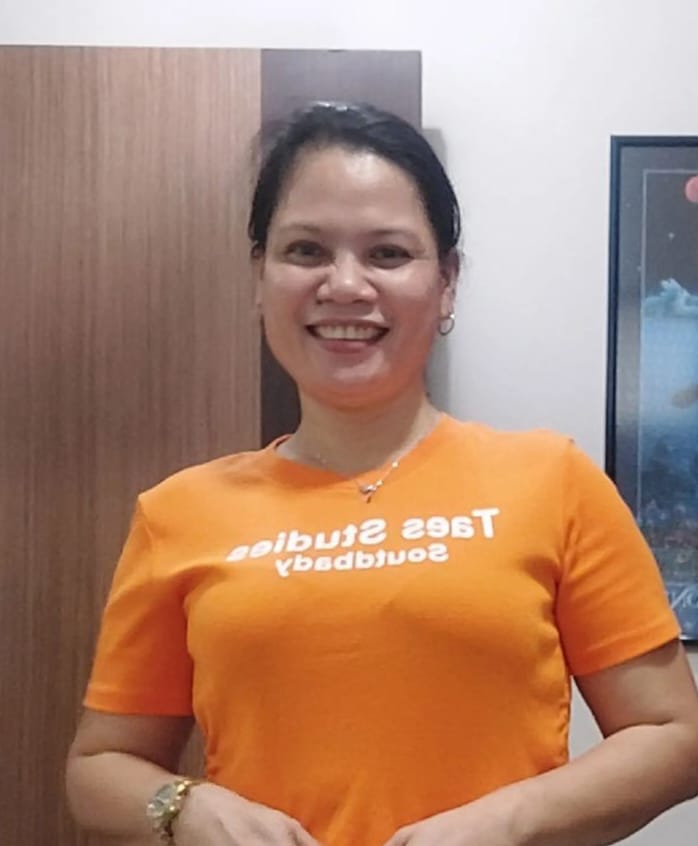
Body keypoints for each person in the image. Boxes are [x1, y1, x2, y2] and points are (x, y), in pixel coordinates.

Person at [66, 102, 698, 846]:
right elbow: (99, 767)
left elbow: (673, 734)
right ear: (259, 277)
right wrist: (185, 807)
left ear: (447, 281)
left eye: (388, 253)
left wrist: (507, 822)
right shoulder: (178, 512)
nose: (345, 285)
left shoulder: (553, 480)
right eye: (306, 250)